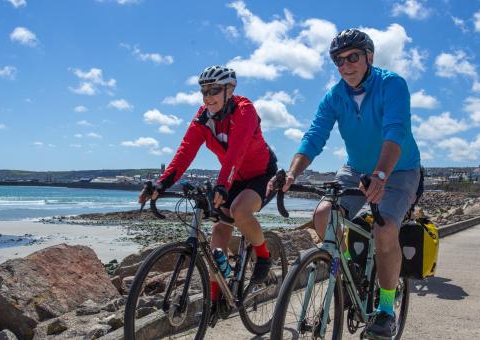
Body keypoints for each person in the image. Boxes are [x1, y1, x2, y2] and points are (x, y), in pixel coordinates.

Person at [267, 29, 421, 338]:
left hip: (399, 169)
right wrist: (294, 173)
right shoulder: (335, 96)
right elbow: (314, 136)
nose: (346, 65)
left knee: (385, 228)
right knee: (323, 214)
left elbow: (396, 131)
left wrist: (380, 175)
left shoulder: (392, 84)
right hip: (355, 168)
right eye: (339, 60)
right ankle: (348, 269)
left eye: (353, 57)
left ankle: (387, 309)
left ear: (369, 57)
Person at [139, 65, 278, 316]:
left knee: (239, 211)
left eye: (214, 90)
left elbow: (237, 152)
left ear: (230, 89)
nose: (208, 97)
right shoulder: (203, 117)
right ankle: (216, 300)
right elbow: (184, 152)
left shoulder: (245, 110)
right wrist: (162, 184)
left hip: (261, 173)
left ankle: (264, 256)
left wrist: (223, 185)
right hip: (233, 176)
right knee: (218, 231)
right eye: (204, 91)